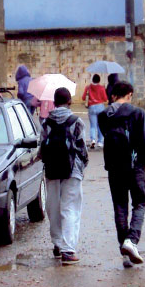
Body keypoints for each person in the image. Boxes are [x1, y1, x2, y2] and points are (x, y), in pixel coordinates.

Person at [98, 81, 145, 268]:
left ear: (113, 96)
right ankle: (131, 241)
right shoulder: (138, 113)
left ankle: (124, 250)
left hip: (114, 167)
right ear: (130, 94)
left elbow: (105, 135)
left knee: (120, 207)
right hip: (136, 165)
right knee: (139, 203)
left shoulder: (103, 116)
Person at [40, 87, 89, 265]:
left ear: (54, 102)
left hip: (52, 169)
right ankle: (68, 250)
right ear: (69, 102)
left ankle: (57, 244)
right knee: (70, 208)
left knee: (53, 207)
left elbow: (42, 147)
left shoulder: (46, 122)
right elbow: (82, 148)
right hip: (72, 170)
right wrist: (82, 167)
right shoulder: (76, 121)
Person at [82, 73, 107, 149]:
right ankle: (100, 142)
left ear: (92, 80)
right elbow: (105, 99)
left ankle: (93, 139)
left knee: (93, 125)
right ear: (99, 80)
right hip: (100, 107)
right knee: (100, 125)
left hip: (91, 107)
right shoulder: (101, 88)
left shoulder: (88, 87)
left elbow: (83, 98)